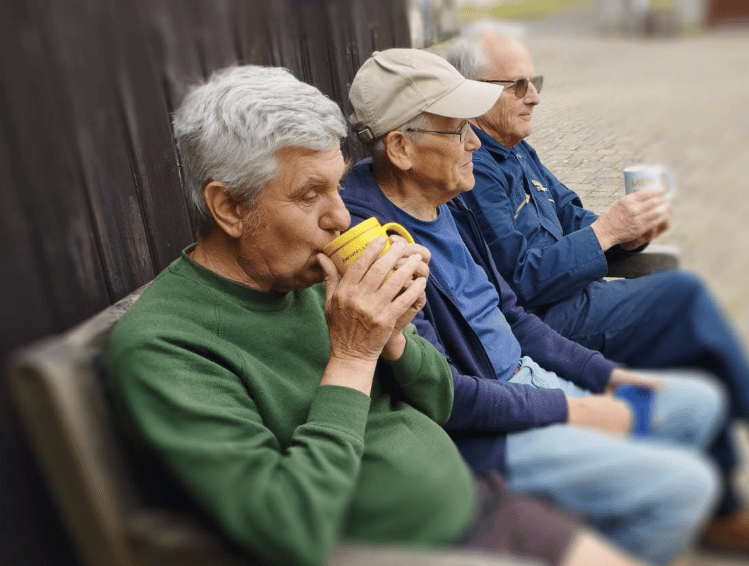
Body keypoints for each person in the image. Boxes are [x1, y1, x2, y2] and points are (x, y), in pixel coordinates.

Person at [107, 64, 649, 566]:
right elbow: (287, 525)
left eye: (338, 185)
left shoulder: (303, 275)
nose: (341, 216)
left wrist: (395, 338)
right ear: (228, 208)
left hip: (480, 502)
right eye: (309, 194)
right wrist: (352, 355)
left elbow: (438, 395)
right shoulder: (165, 346)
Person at [444, 23, 749, 562]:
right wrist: (606, 235)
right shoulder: (471, 165)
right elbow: (519, 281)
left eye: (535, 80)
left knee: (697, 347)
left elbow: (573, 215)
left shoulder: (518, 149)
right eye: (517, 84)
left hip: (576, 301)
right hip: (546, 326)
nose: (534, 95)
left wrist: (627, 232)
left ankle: (727, 509)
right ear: (471, 92)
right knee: (682, 297)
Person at [341, 47, 736, 566]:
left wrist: (606, 375)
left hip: (537, 384)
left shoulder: (447, 200)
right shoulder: (376, 246)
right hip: (494, 433)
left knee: (696, 404)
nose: (474, 141)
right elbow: (448, 398)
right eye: (457, 129)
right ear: (401, 147)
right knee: (686, 487)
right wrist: (574, 409)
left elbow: (514, 314)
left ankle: (598, 516)